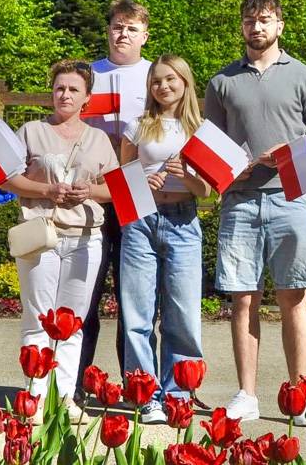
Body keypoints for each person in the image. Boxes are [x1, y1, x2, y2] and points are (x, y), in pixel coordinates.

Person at [204, 0, 306, 424]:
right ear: (241, 26)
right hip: (240, 202)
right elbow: (210, 148)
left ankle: (299, 396)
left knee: (294, 298)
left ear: (280, 25)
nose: (255, 27)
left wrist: (291, 148)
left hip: (292, 196)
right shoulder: (222, 82)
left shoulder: (305, 76)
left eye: (264, 20)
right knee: (243, 300)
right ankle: (247, 394)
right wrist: (226, 171)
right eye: (248, 20)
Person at [3, 59, 119, 424]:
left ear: (87, 98)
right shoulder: (30, 131)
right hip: (41, 234)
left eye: (73, 90)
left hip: (86, 238)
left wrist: (91, 191)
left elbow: (114, 188)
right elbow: (7, 178)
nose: (65, 95)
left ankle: (66, 396)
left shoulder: (99, 139)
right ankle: (35, 398)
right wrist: (46, 190)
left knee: (72, 321)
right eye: (59, 88)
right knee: (39, 317)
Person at [119, 55, 211, 424]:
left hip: (184, 222)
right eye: (156, 81)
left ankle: (178, 393)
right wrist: (143, 180)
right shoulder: (137, 126)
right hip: (141, 220)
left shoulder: (202, 129)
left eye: (171, 79)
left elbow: (207, 190)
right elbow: (121, 180)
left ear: (185, 82)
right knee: (137, 314)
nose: (163, 87)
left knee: (183, 315)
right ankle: (146, 396)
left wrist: (186, 175)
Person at [77, 0, 151, 400]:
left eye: (131, 29)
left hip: (137, 190)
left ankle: (136, 384)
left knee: (133, 294)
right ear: (108, 31)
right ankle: (77, 382)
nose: (123, 34)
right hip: (93, 189)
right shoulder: (90, 74)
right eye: (117, 27)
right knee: (86, 291)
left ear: (144, 35)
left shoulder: (155, 75)